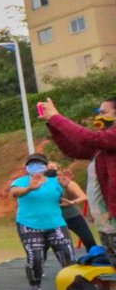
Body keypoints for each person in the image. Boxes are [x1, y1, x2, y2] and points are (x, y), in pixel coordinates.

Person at [42, 96, 116, 243]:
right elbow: (73, 150)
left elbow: (87, 138)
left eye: (103, 112)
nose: (99, 116)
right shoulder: (104, 146)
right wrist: (52, 125)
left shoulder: (108, 140)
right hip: (106, 220)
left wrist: (56, 118)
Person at [9, 151, 76, 290]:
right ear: (26, 167)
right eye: (31, 164)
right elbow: (14, 193)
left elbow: (67, 199)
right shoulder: (22, 181)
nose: (35, 167)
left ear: (46, 167)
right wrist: (30, 188)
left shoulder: (56, 181)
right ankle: (35, 287)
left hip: (56, 224)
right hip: (29, 225)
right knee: (36, 258)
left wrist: (66, 187)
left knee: (68, 256)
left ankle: (73, 288)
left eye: (39, 164)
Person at [54, 163, 96, 249]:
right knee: (61, 244)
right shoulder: (43, 185)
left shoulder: (69, 183)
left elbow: (83, 196)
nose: (56, 176)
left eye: (57, 173)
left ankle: (96, 258)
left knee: (89, 240)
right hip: (54, 218)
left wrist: (73, 201)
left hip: (72, 215)